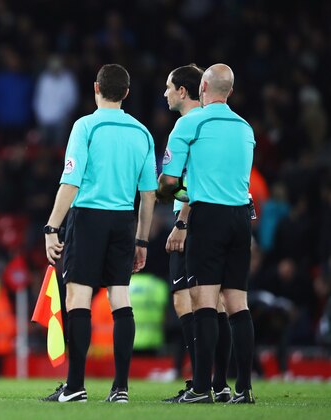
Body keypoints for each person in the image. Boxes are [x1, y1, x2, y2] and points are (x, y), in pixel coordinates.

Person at [42, 64, 157, 403]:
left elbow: (71, 181)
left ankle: (75, 386)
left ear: (96, 88)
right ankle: (120, 388)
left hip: (89, 217)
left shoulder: (85, 126)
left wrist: (52, 226)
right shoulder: (142, 133)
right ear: (126, 93)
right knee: (120, 298)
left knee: (79, 298)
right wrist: (142, 240)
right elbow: (148, 194)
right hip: (123, 221)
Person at [157, 64, 256, 404]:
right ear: (229, 91)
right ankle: (242, 388)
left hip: (208, 216)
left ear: (202, 87)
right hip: (242, 217)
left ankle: (201, 388)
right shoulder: (245, 127)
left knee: (203, 301)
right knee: (236, 304)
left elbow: (170, 182)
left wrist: (165, 195)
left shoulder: (189, 124)